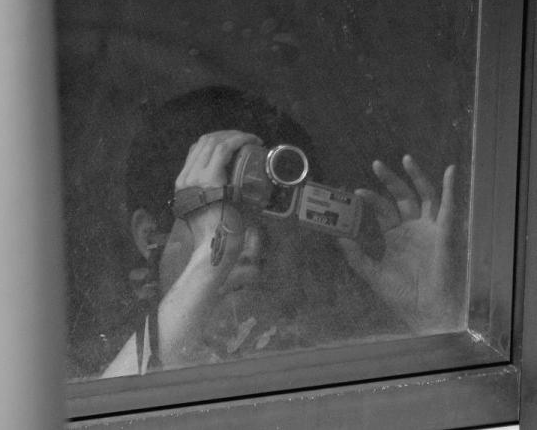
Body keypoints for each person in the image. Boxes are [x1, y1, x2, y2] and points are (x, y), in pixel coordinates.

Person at [102, 86, 456, 377]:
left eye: (271, 217)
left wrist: (434, 320)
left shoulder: (337, 360)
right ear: (151, 234)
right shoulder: (84, 365)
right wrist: (211, 259)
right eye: (224, 218)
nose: (251, 245)